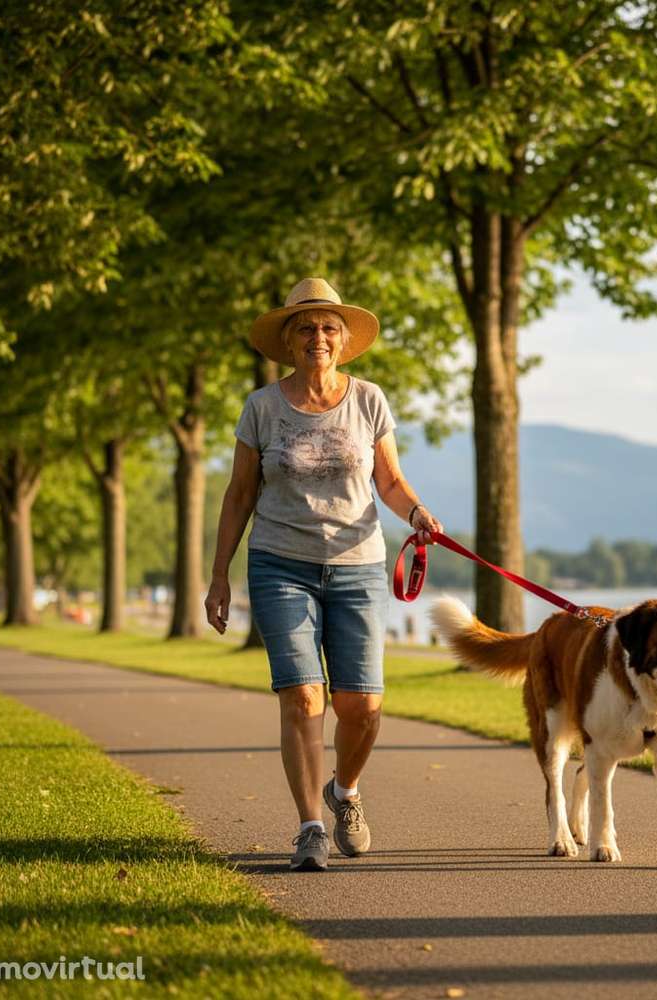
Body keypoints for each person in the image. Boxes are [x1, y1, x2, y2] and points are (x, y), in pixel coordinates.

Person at [204, 277, 443, 871]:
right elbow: (238, 495)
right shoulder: (261, 407)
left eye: (329, 327)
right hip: (280, 563)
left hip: (359, 565)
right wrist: (217, 577)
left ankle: (345, 793)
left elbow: (387, 480)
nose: (319, 337)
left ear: (343, 339)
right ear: (288, 340)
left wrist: (415, 512)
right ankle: (310, 825)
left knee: (361, 705)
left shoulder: (368, 399)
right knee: (304, 697)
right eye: (306, 327)